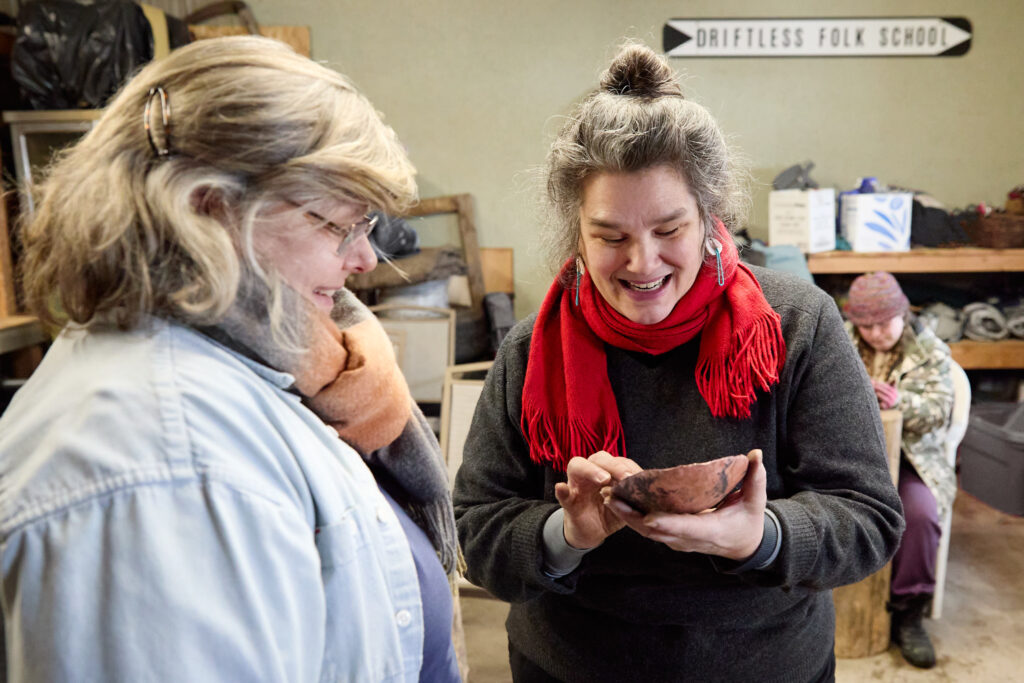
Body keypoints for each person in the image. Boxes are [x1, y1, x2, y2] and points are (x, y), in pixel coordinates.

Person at [0, 36, 461, 682]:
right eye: (341, 225)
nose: (363, 260)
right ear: (208, 206)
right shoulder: (163, 465)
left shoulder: (250, 358)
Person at [453, 43, 905, 683]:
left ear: (709, 217)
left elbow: (868, 517)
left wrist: (761, 536)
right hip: (572, 665)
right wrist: (566, 533)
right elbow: (474, 532)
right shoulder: (532, 351)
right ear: (575, 232)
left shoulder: (798, 326)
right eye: (610, 237)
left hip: (767, 665)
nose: (642, 264)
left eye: (670, 231)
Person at [844, 271, 955, 669]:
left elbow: (941, 411)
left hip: (910, 458)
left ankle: (909, 612)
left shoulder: (929, 349)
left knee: (921, 515)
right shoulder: (839, 339)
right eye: (865, 325)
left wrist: (900, 401)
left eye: (883, 323)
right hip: (846, 454)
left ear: (903, 313)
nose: (874, 333)